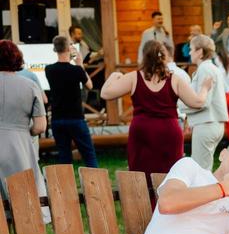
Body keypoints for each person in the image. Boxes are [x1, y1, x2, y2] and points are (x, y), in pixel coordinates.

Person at [101, 41, 212, 180]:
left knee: (141, 175)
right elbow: (197, 102)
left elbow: (105, 93)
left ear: (144, 57)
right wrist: (205, 88)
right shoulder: (174, 79)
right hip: (168, 131)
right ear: (164, 57)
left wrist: (113, 76)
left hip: (142, 131)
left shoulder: (134, 77)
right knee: (171, 174)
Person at [0, 40, 49, 222]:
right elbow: (40, 126)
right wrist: (22, 131)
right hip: (19, 147)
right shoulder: (30, 85)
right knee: (25, 202)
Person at [45, 35, 99, 168]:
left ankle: (65, 182)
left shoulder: (49, 70)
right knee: (88, 154)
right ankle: (95, 181)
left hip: (57, 119)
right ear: (68, 48)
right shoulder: (76, 70)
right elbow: (90, 85)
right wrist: (80, 64)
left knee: (64, 157)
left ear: (55, 49)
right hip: (76, 118)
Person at [179, 35, 228, 171]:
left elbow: (203, 102)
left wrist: (180, 106)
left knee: (200, 170)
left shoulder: (205, 69)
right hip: (212, 123)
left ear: (200, 51)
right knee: (203, 168)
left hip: (207, 124)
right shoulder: (211, 68)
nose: (189, 53)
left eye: (191, 49)